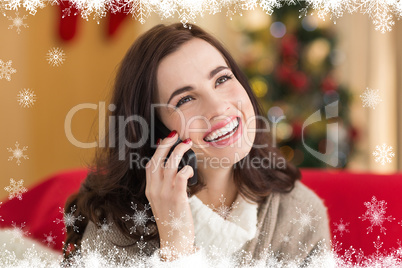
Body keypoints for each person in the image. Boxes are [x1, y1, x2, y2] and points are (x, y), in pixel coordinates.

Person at [62, 22, 331, 267]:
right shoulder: (116, 222)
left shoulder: (299, 214)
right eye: (184, 100)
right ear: (157, 132)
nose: (218, 108)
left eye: (222, 79)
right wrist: (176, 247)